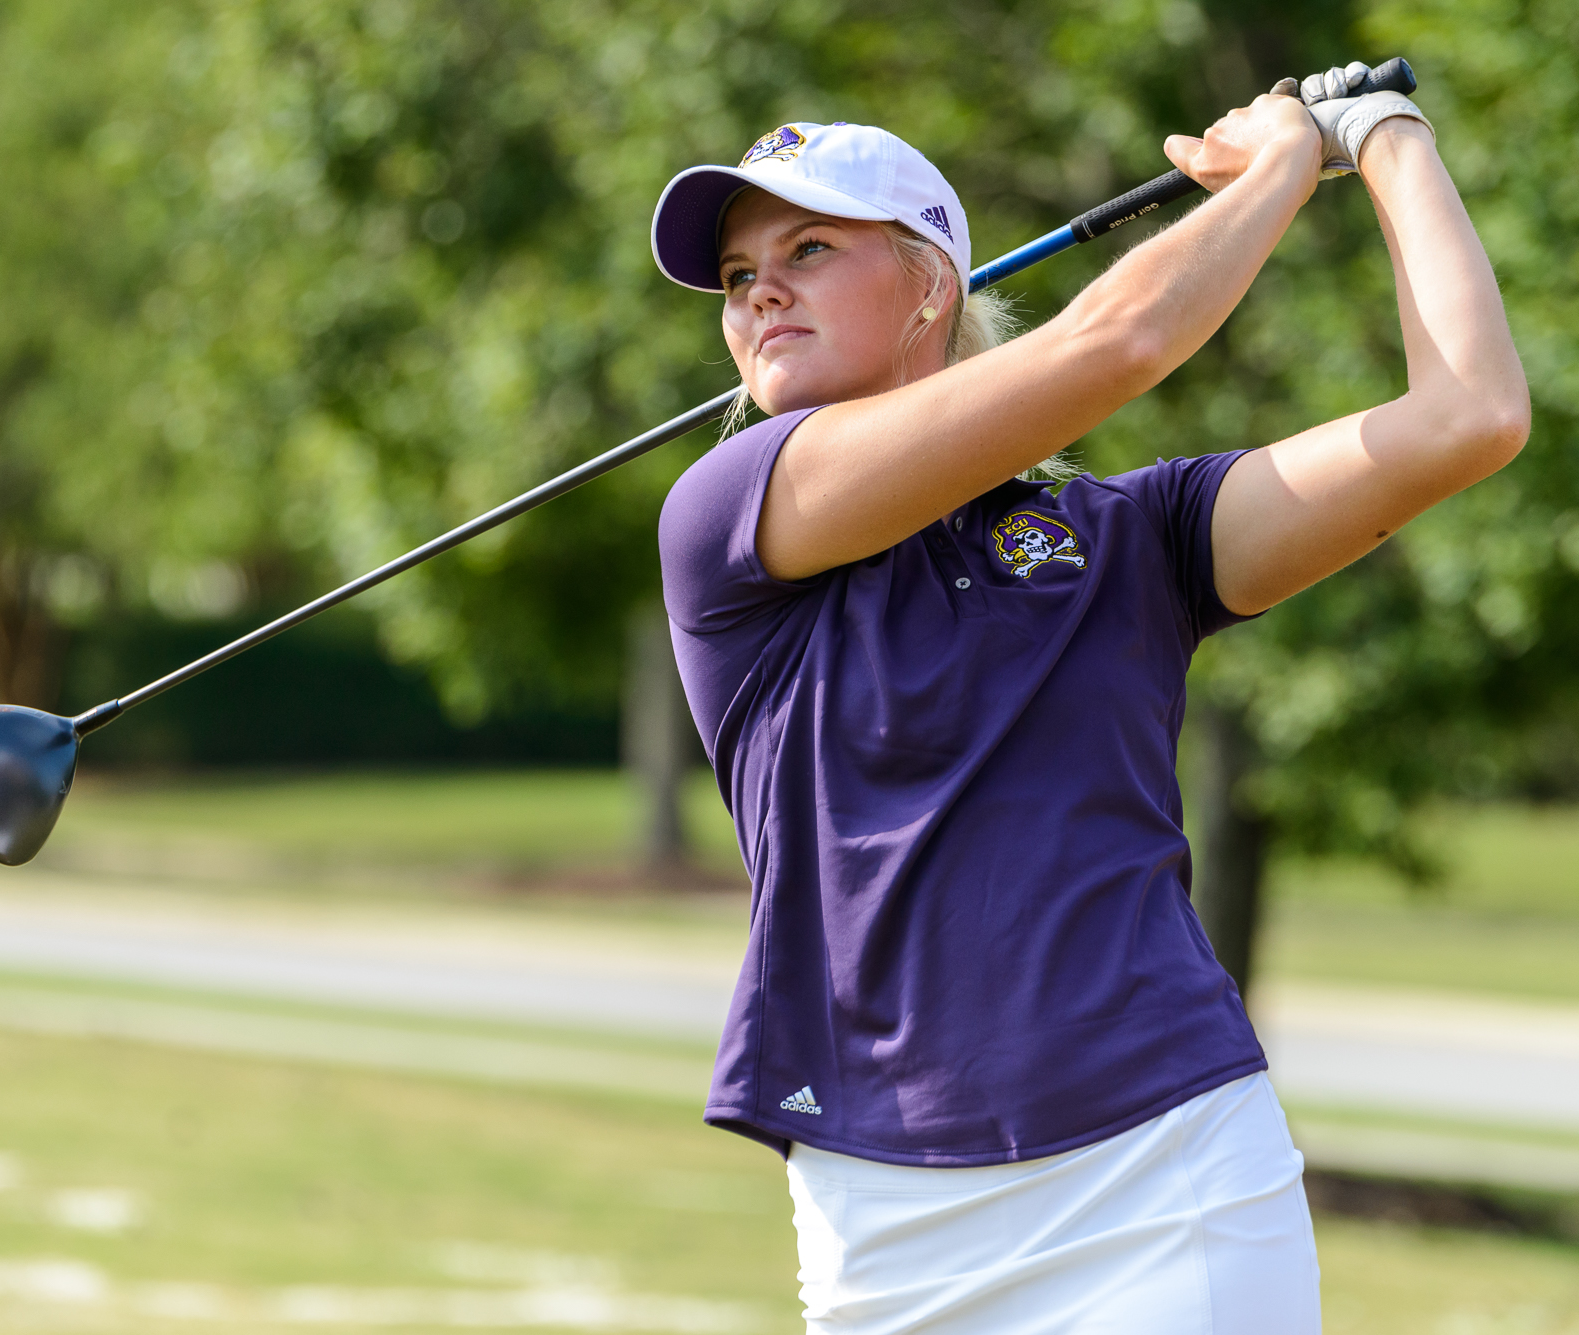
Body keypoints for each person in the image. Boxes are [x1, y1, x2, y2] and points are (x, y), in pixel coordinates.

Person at [651, 64, 1527, 1335]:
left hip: (1166, 1173)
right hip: (887, 1218)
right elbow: (1115, 342)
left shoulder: (1132, 537)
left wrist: (1382, 138)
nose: (760, 290)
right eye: (738, 276)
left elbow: (1468, 416)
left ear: (929, 289)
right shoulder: (726, 515)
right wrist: (1281, 165)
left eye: (807, 248)